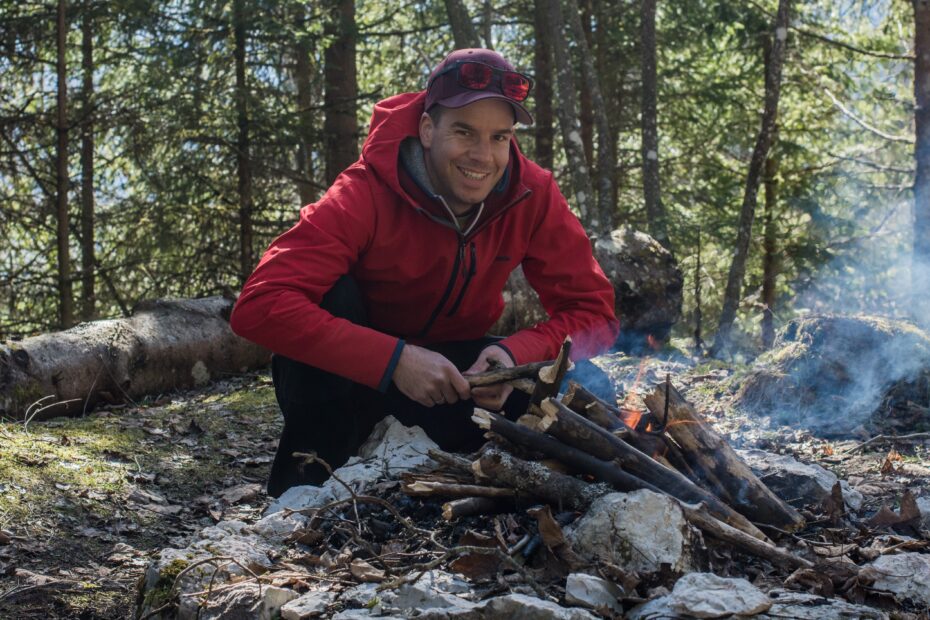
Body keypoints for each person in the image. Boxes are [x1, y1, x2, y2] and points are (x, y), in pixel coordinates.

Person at [230, 48, 620, 497]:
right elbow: (259, 305)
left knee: (586, 390)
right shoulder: (364, 191)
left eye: (499, 137)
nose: (483, 156)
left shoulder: (531, 192)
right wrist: (395, 360)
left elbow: (595, 314)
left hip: (455, 381)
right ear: (428, 129)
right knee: (332, 295)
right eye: (464, 131)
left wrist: (512, 357)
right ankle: (305, 486)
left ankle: (464, 475)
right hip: (350, 384)